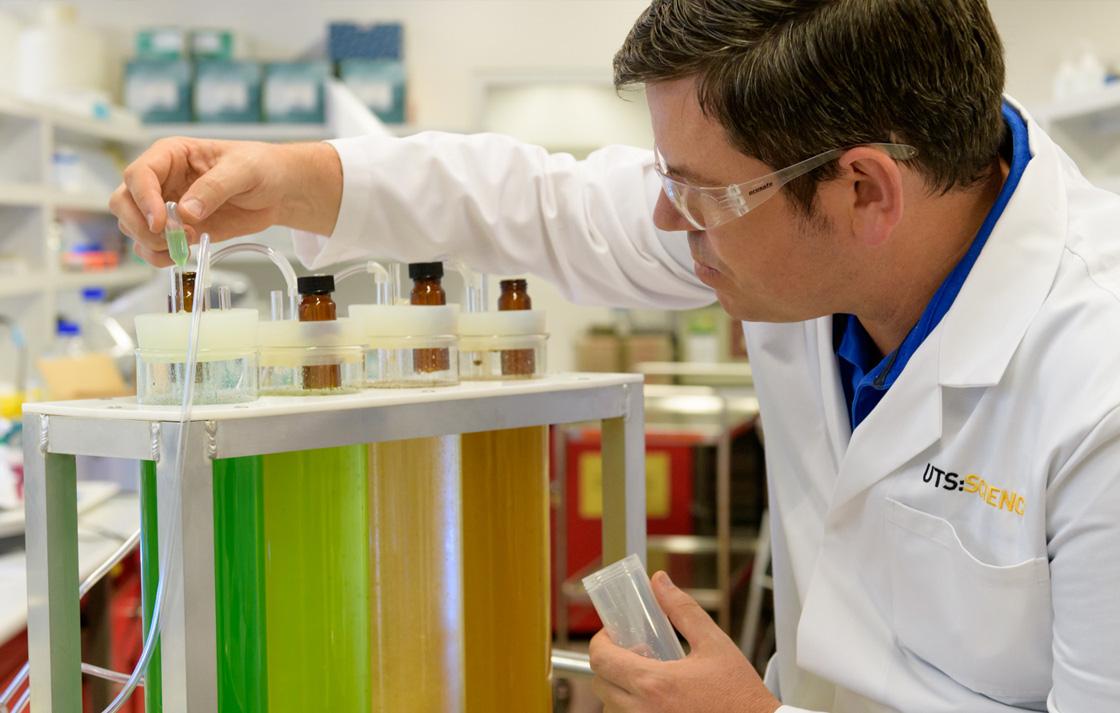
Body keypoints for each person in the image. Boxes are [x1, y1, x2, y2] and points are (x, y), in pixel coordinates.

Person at [111, 0, 1120, 711]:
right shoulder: (803, 230)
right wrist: (292, 180)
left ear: (863, 193)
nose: (660, 217)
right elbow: (542, 203)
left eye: (696, 190)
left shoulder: (1096, 386)